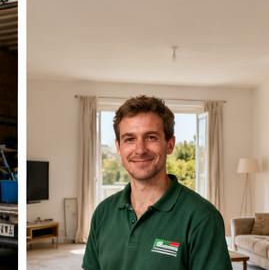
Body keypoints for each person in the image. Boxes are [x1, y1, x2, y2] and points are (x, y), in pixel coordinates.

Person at [82, 96, 231, 270]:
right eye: (129, 139)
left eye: (151, 137)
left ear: (170, 144)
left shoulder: (202, 217)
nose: (140, 149)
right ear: (119, 147)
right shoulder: (103, 213)